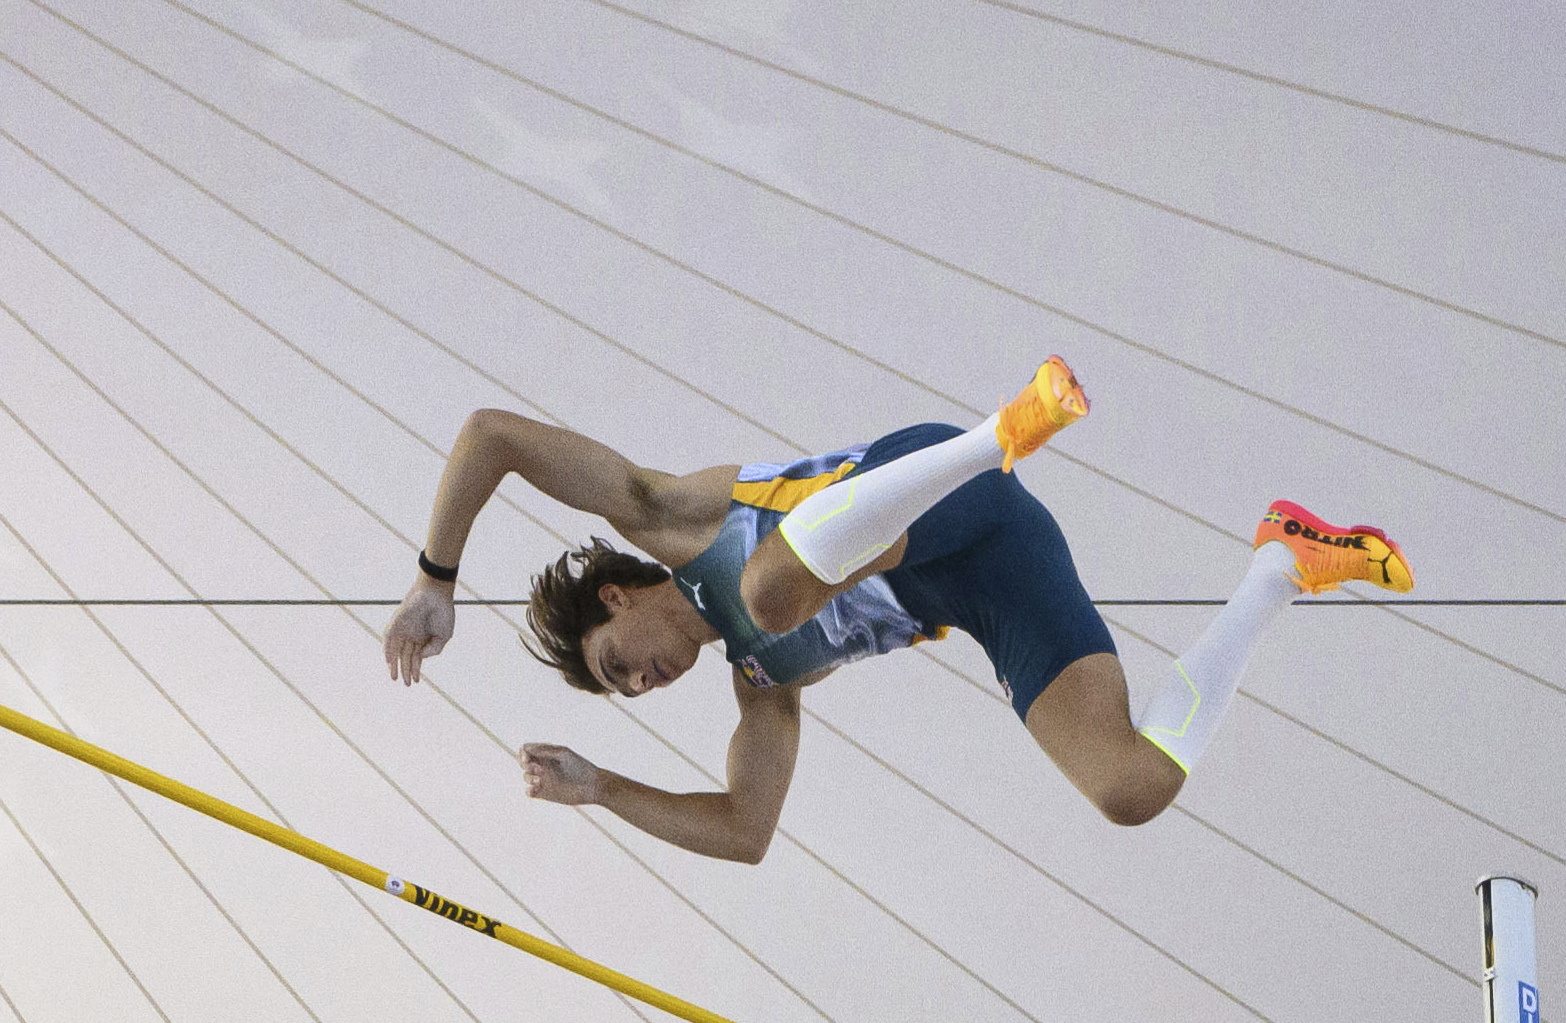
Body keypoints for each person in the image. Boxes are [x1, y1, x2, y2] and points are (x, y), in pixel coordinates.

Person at [392, 360, 1401, 856]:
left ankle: (1001, 429)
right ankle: (1284, 563)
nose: (644, 682)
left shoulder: (665, 517)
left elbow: (492, 435)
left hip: (938, 477)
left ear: (617, 594)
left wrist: (436, 577)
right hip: (992, 569)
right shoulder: (762, 691)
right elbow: (747, 831)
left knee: (768, 591)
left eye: (620, 663)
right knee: (1129, 788)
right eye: (634, 693)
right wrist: (603, 786)